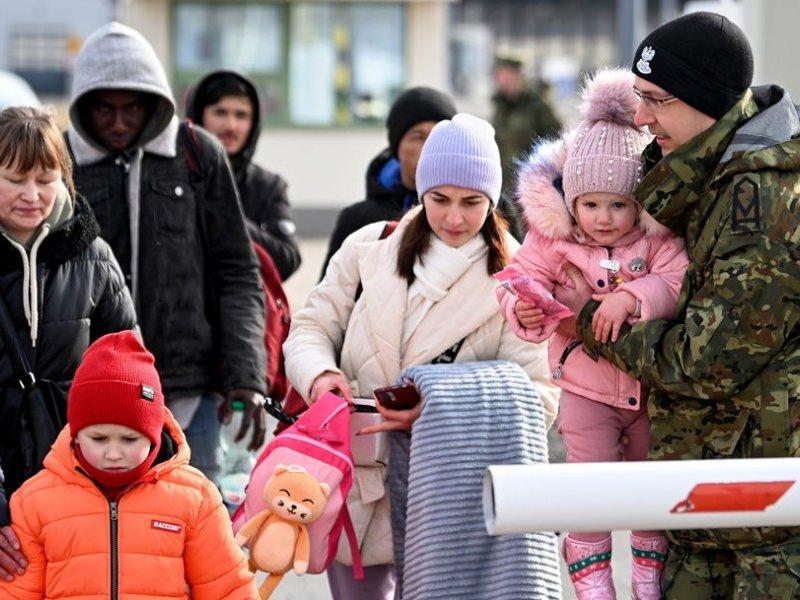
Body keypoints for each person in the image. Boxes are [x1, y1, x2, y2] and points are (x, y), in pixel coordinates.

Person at [552, 13, 800, 599]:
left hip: (755, 531)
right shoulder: (708, 178)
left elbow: (704, 361)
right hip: (711, 509)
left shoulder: (760, 202)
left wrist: (587, 316)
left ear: (706, 101)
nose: (641, 118)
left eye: (656, 100)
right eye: (638, 98)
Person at [284, 113, 559, 600]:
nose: (454, 218)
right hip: (357, 481)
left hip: (452, 497)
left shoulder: (521, 280)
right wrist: (322, 377)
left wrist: (436, 409)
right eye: (440, 200)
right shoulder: (369, 245)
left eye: (472, 202)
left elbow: (539, 396)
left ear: (492, 201)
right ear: (422, 191)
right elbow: (310, 326)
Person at [497, 69, 688, 600]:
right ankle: (592, 581)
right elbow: (519, 276)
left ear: (640, 203)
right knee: (589, 490)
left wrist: (633, 296)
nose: (603, 219)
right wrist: (524, 307)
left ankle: (649, 576)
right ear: (571, 201)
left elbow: (676, 280)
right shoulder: (554, 241)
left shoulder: (657, 242)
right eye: (590, 204)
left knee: (650, 489)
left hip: (649, 392)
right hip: (584, 390)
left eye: (619, 204)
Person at [66, 23, 267, 486]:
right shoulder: (61, 162)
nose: (117, 123)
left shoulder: (196, 153)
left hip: (187, 390)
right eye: (103, 109)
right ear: (83, 107)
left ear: (153, 101)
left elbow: (237, 272)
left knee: (195, 531)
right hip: (87, 398)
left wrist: (247, 375)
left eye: (131, 108)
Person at [2, 331, 259, 598]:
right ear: (76, 434)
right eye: (99, 438)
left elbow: (227, 587)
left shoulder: (195, 498)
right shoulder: (34, 501)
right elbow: (17, 592)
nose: (114, 453)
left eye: (129, 439)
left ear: (153, 433)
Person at [0, 106, 137, 582]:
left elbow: (129, 373)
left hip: (78, 477)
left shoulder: (92, 255)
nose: (32, 195)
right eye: (15, 178)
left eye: (46, 177)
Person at [319, 87, 456, 278]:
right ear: (396, 148)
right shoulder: (358, 220)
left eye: (438, 135)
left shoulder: (487, 214)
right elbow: (329, 299)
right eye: (418, 137)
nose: (429, 147)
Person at [187, 70, 301, 281]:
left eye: (241, 115)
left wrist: (229, 214)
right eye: (220, 112)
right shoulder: (173, 177)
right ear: (198, 116)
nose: (231, 126)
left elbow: (287, 260)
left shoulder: (268, 186)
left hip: (246, 308)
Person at [491, 54, 561, 201]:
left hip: (530, 187)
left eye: (511, 75)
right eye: (502, 75)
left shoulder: (537, 106)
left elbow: (555, 143)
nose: (506, 80)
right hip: (503, 187)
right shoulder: (499, 107)